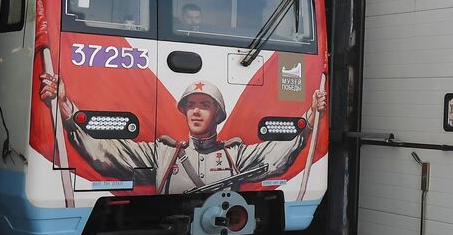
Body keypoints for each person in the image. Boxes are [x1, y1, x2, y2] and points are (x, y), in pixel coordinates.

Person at [38, 74, 325, 194]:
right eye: (191, 106)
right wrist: (66, 109)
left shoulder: (234, 154)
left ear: (217, 114)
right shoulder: (163, 153)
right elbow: (108, 154)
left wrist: (309, 119)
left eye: (205, 106)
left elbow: (276, 155)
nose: (196, 112)